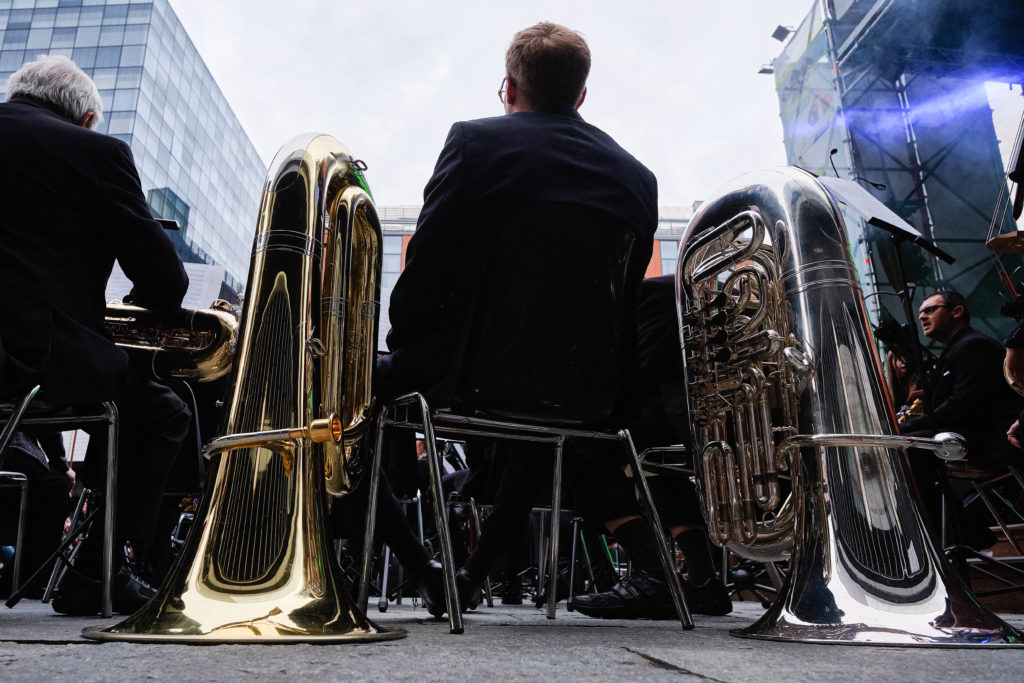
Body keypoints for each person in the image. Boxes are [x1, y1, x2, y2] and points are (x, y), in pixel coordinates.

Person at [377, 22, 674, 621]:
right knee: (543, 415)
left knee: (324, 391)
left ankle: (419, 564)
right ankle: (461, 574)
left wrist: (406, 348)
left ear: (509, 88)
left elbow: (427, 266)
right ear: (582, 96)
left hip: (475, 377)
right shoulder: (639, 178)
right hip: (590, 393)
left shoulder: (473, 143)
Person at [0, 55, 191, 614]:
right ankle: (97, 569)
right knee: (162, 412)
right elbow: (166, 280)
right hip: (31, 357)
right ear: (84, 118)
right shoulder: (98, 153)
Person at [901, 291, 1023, 548]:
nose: (922, 315)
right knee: (903, 445)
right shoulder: (957, 349)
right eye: (921, 311)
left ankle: (964, 538)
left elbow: (965, 405)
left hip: (993, 439)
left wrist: (905, 427)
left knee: (905, 450)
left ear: (957, 312)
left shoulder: (973, 345)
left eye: (930, 310)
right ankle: (958, 536)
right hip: (973, 433)